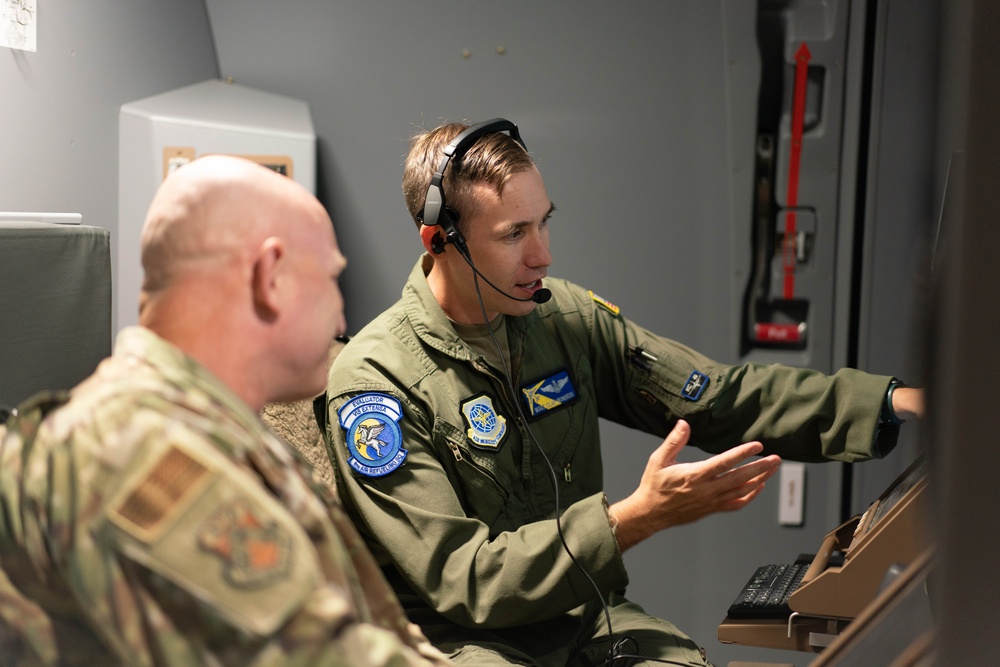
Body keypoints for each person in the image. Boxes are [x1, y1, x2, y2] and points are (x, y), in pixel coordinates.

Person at [322, 120, 924, 666]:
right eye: (514, 235)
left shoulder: (563, 318)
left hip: (584, 618)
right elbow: (468, 581)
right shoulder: (377, 385)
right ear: (440, 241)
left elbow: (715, 396)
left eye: (544, 222)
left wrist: (894, 401)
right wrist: (631, 520)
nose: (543, 255)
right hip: (465, 644)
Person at [0, 155, 450, 666]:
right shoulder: (140, 450)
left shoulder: (212, 435)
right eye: (329, 279)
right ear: (270, 276)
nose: (342, 313)